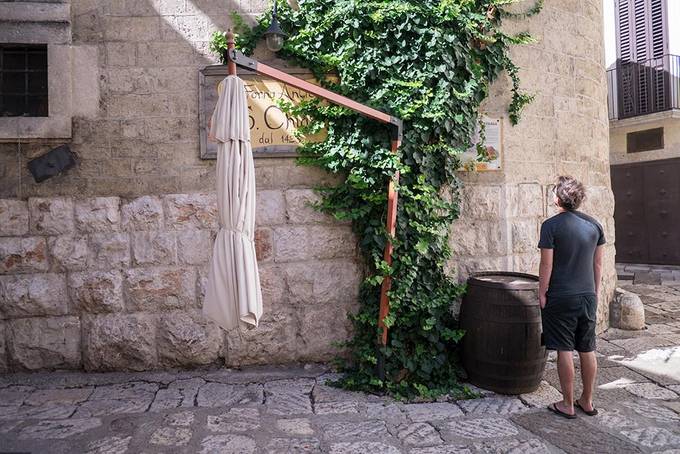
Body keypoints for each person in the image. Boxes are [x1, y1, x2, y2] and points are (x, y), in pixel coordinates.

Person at [538, 175, 605, 419]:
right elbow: (598, 265)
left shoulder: (550, 226)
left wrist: (542, 293)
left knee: (564, 348)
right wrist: (595, 293)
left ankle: (567, 403)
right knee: (587, 348)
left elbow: (546, 265)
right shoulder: (595, 225)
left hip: (560, 296)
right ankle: (587, 401)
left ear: (558, 198)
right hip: (587, 295)